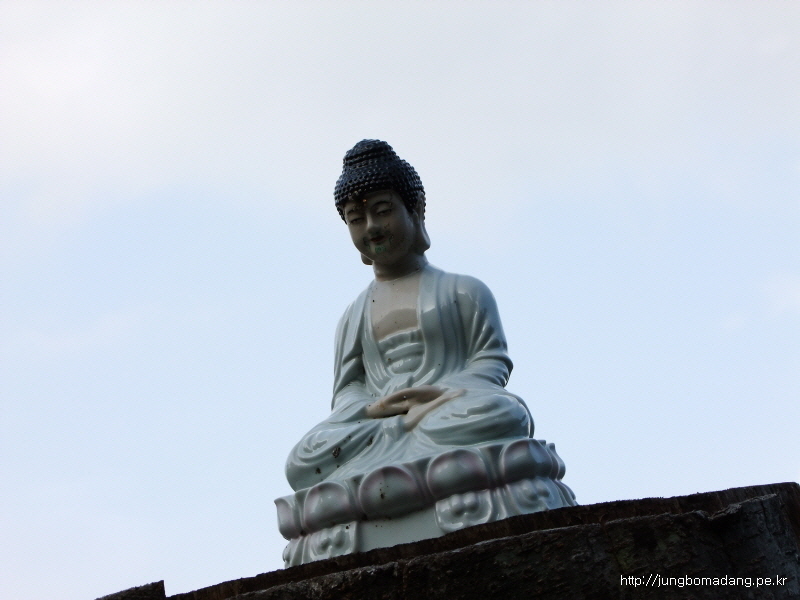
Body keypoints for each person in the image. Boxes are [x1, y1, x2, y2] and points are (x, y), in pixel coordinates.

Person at [285, 140, 534, 491]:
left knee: (502, 412)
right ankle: (416, 466)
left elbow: (491, 362)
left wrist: (439, 393)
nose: (371, 227)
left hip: (445, 411)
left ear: (415, 210)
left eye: (383, 211)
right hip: (377, 425)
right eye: (356, 219)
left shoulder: (464, 291)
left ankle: (386, 479)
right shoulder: (354, 315)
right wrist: (373, 410)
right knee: (303, 458)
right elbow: (348, 389)